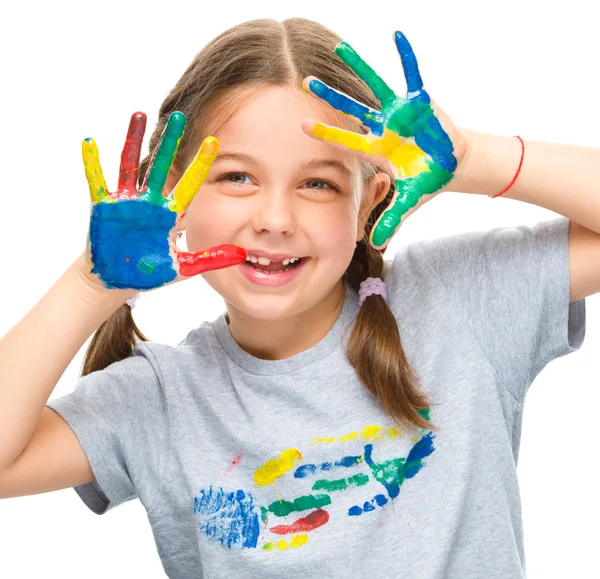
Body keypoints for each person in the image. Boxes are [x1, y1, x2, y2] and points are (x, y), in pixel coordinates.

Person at [0, 16, 596, 579]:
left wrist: (475, 160)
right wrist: (89, 285)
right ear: (176, 198)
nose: (276, 218)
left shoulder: (456, 302)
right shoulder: (157, 397)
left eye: (318, 183)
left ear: (369, 204)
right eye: (237, 177)